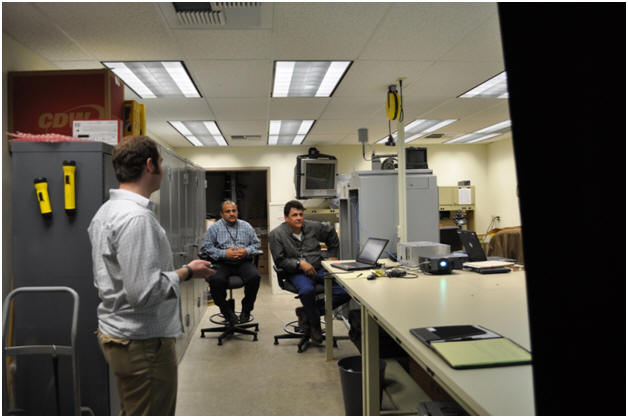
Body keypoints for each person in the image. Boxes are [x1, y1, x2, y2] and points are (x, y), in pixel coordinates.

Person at [87, 135, 215, 416]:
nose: (164, 169)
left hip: (122, 334)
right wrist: (186, 272)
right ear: (149, 165)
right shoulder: (136, 218)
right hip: (141, 343)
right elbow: (142, 292)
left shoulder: (107, 212)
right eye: (161, 162)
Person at [268, 200, 350, 344]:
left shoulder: (312, 226)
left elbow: (330, 231)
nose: (299, 218)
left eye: (301, 214)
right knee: (307, 291)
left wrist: (332, 255)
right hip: (296, 273)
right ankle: (315, 325)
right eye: (294, 215)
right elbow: (280, 261)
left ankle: (308, 312)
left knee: (346, 290)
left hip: (318, 267)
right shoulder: (276, 235)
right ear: (286, 218)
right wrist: (299, 264)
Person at [200, 200, 262, 325]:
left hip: (243, 262)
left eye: (234, 211)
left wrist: (246, 251)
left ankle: (246, 310)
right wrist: (224, 253)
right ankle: (227, 312)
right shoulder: (215, 228)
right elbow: (206, 247)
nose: (232, 214)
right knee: (216, 281)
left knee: (255, 277)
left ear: (237, 212)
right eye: (228, 211)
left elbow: (256, 244)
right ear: (222, 214)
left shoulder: (246, 226)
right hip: (222, 263)